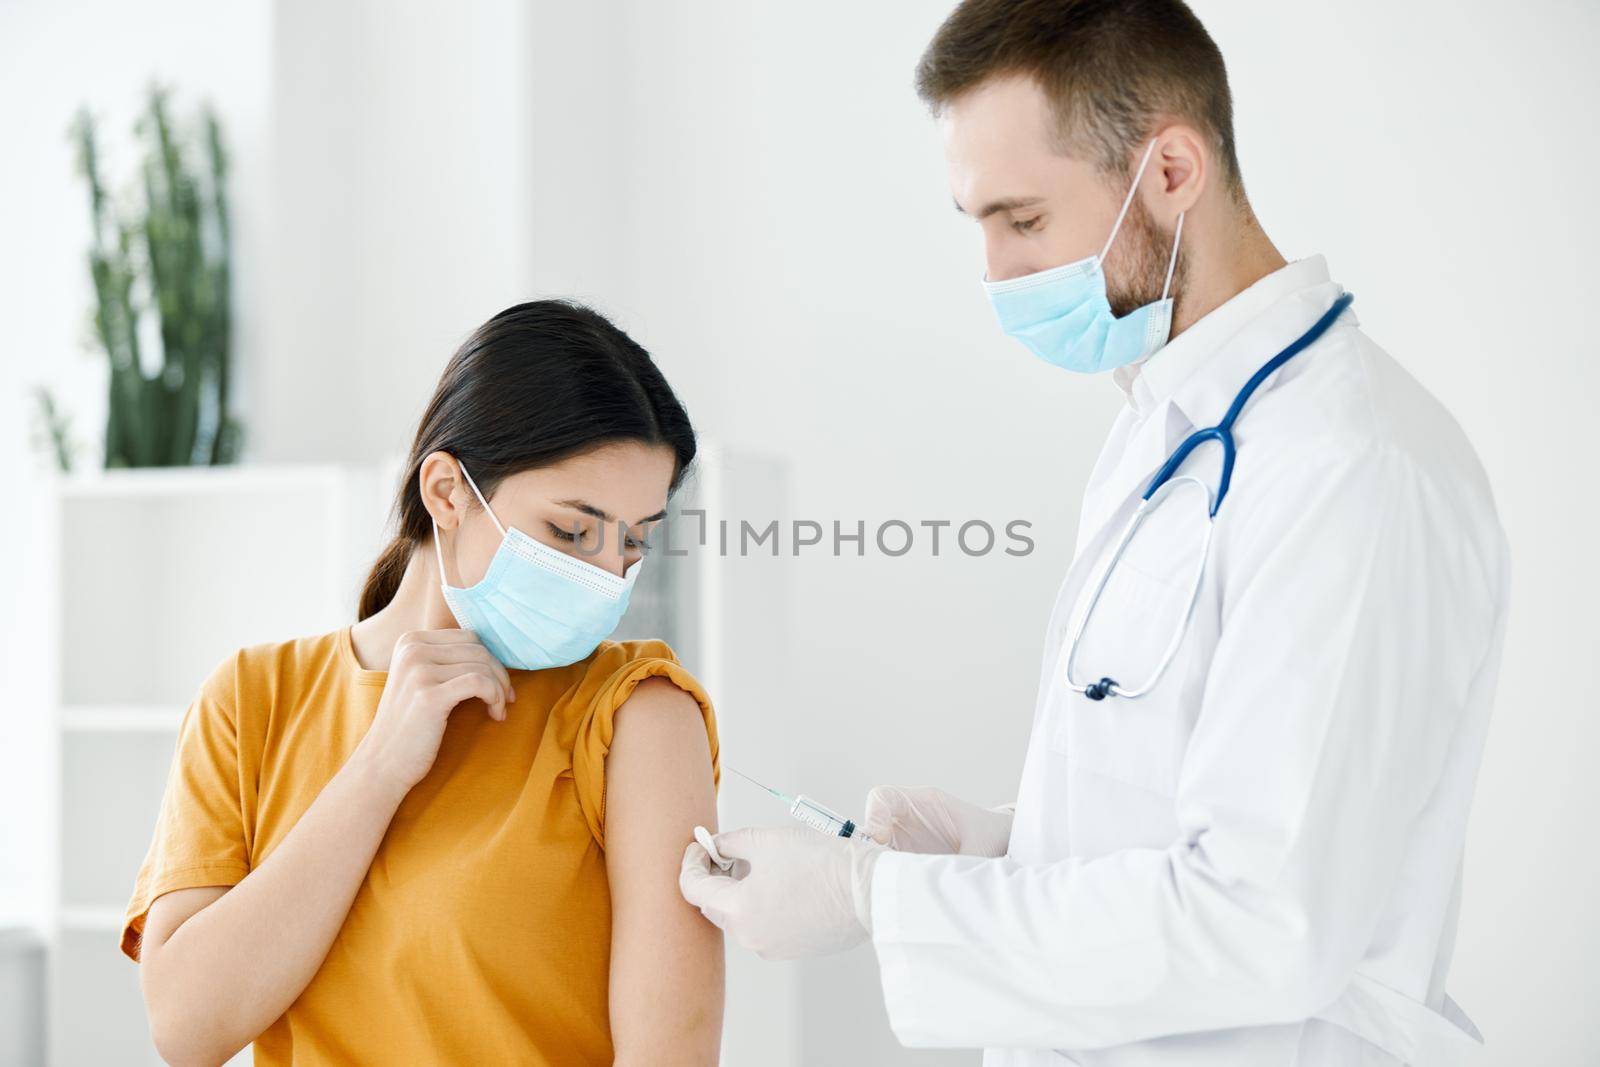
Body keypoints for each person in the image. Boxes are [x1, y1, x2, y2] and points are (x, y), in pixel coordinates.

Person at [679, 2, 1507, 1065]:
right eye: (974, 223)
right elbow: (1185, 790)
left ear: (1170, 171)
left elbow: (1264, 920)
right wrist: (997, 843)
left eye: (1022, 221)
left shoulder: (1348, 465)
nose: (993, 274)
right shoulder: (1160, 428)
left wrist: (876, 898)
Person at [122, 300, 724, 1066]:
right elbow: (186, 1026)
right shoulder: (250, 699)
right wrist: (379, 768)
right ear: (446, 491)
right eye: (571, 531)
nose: (605, 578)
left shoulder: (637, 714)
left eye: (632, 543)